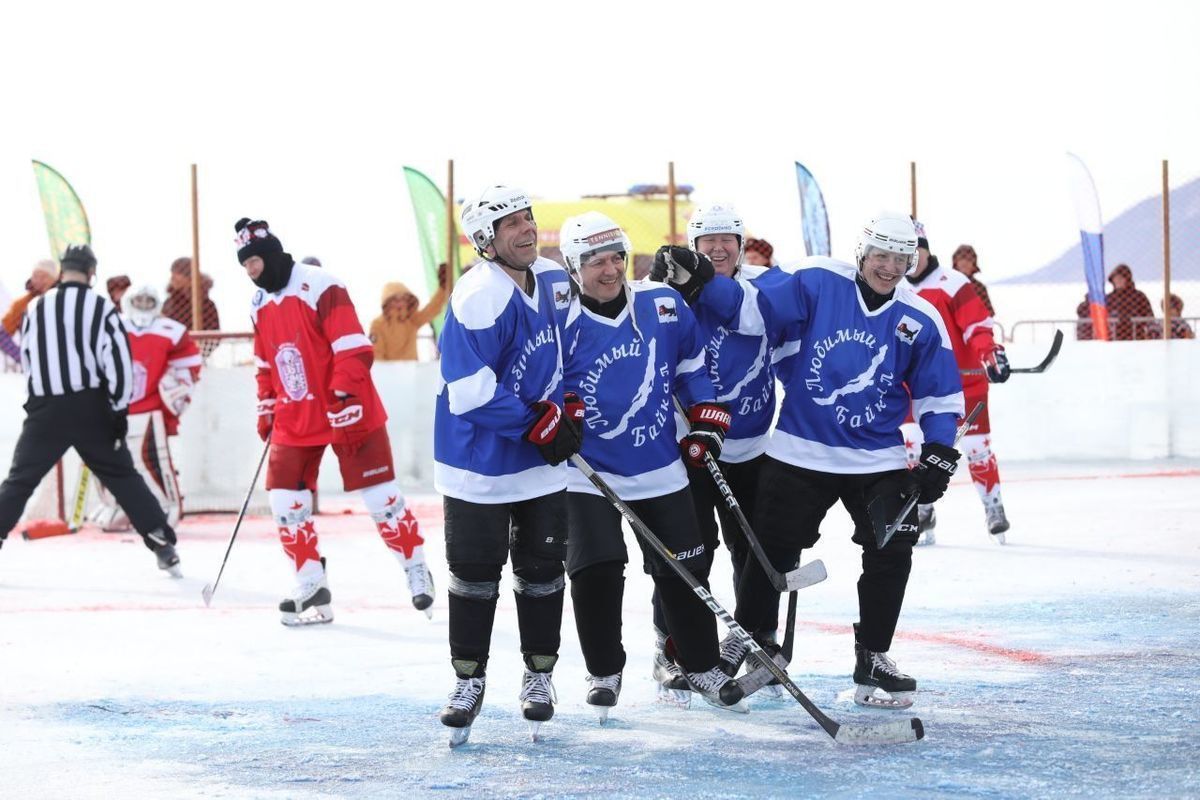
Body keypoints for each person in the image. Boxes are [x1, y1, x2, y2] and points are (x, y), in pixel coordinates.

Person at [651, 211, 964, 710]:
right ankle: (747, 636)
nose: (889, 267)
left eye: (901, 259)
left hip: (876, 457)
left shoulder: (919, 316)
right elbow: (752, 310)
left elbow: (940, 395)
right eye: (880, 256)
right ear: (861, 254)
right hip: (798, 450)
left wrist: (939, 451)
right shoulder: (818, 279)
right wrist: (706, 280)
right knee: (767, 549)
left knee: (891, 551)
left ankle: (874, 656)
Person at [558, 211, 746, 719]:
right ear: (574, 267)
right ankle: (604, 670)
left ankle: (700, 663)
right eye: (595, 261)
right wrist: (556, 416)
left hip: (659, 464)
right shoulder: (562, 320)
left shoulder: (662, 303)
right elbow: (539, 382)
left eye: (616, 257)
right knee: (596, 569)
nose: (609, 269)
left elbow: (690, 368)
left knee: (687, 566)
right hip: (586, 473)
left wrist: (706, 417)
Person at [433, 186, 580, 744]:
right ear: (484, 241)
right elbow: (468, 391)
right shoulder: (480, 296)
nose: (525, 230)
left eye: (527, 219)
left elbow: (569, 352)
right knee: (473, 577)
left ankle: (539, 678)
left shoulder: (554, 282)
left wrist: (571, 408)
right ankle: (468, 681)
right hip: (480, 463)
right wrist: (535, 424)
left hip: (538, 459)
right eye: (509, 224)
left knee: (543, 573)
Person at [235, 218, 434, 626]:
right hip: (295, 414)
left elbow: (353, 346)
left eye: (254, 262)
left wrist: (342, 389)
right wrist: (266, 405)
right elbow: (264, 361)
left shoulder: (321, 285)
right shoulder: (258, 304)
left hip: (346, 410)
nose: (251, 272)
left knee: (381, 498)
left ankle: (416, 567)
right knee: (283, 501)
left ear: (271, 255)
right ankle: (312, 586)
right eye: (245, 266)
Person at [0, 245, 181, 575]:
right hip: (90, 408)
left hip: (46, 409)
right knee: (122, 475)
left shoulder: (37, 306)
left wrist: (36, 401)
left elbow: (28, 358)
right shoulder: (100, 306)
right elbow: (117, 362)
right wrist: (118, 409)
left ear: (62, 272)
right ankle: (161, 542)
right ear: (91, 273)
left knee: (20, 480)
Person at [681, 205, 785, 678]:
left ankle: (757, 636)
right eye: (707, 241)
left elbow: (753, 315)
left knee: (755, 547)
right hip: (691, 447)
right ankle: (676, 645)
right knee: (689, 549)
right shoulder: (670, 295)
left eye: (728, 239)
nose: (718, 248)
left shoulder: (763, 283)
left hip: (752, 446)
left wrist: (701, 280)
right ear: (693, 246)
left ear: (742, 247)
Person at [905, 223, 1011, 542]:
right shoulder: (894, 288)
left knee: (976, 448)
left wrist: (991, 355)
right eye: (903, 251)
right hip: (914, 389)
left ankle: (994, 507)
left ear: (926, 248)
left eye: (915, 249)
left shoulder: (953, 283)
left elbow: (977, 326)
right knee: (913, 449)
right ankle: (923, 511)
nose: (910, 258)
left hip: (965, 385)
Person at [90, 285, 203, 531]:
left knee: (154, 462)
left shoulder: (171, 331)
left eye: (147, 301)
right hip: (114, 407)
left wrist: (175, 391)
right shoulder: (110, 326)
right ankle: (115, 507)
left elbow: (189, 365)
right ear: (128, 302)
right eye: (137, 300)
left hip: (151, 410)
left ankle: (166, 508)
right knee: (104, 460)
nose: (142, 306)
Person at [369, 264, 449, 361]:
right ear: (387, 302)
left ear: (408, 301)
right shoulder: (378, 324)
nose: (399, 303)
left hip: (411, 373)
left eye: (403, 298)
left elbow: (432, 309)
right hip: (389, 374)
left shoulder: (412, 320)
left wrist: (443, 288)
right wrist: (385, 374)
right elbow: (377, 355)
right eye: (395, 299)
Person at [162, 257, 222, 356]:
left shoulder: (206, 305)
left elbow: (214, 335)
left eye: (178, 273)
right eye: (172, 273)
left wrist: (198, 351)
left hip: (197, 354)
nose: (172, 277)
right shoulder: (168, 303)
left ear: (189, 276)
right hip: (170, 354)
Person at [3, 260, 59, 336]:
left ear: (54, 279)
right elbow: (2, 333)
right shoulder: (22, 304)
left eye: (43, 277)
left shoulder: (64, 298)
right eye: (35, 276)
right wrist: (16, 348)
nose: (38, 280)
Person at [1105, 264, 1154, 341]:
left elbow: (1149, 317)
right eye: (1116, 279)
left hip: (1136, 337)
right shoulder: (1109, 298)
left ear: (1127, 279)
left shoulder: (1138, 297)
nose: (1118, 281)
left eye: (1121, 278)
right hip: (1113, 339)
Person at [950, 244, 995, 316]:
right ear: (956, 263)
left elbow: (988, 317)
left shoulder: (980, 288)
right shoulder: (947, 285)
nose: (964, 263)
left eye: (968, 260)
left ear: (973, 264)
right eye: (961, 259)